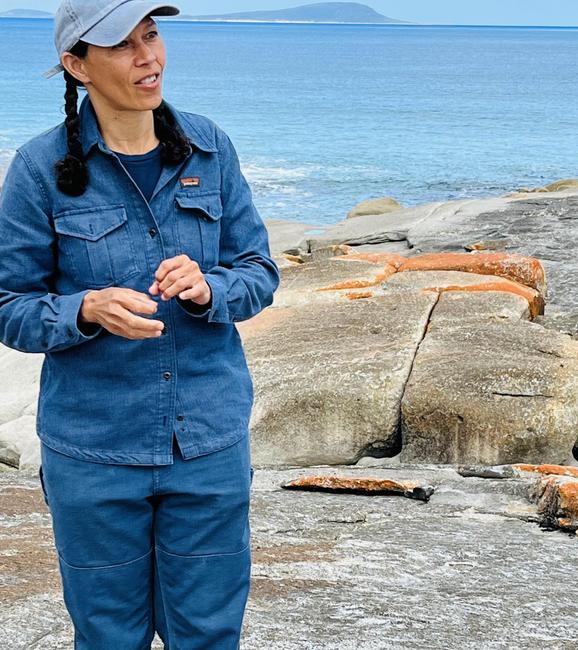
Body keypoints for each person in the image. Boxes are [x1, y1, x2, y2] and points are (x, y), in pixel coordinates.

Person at [0, 1, 280, 648]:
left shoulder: (212, 149)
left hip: (206, 448)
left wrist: (212, 286)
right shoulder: (40, 171)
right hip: (94, 454)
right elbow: (9, 305)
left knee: (209, 637)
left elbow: (260, 271)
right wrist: (84, 310)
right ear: (77, 65)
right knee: (107, 640)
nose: (147, 57)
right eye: (122, 46)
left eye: (151, 36)